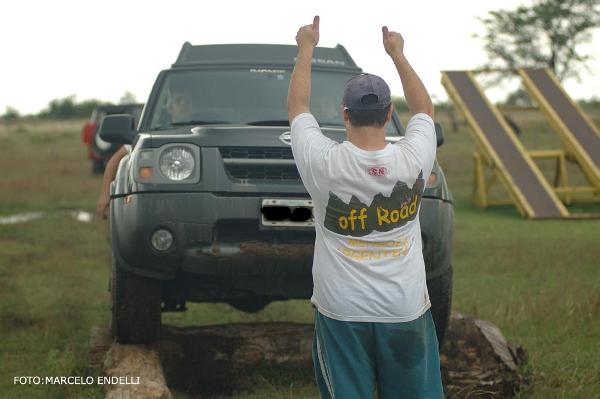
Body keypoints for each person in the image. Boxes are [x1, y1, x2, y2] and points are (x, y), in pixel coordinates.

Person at [288, 16, 443, 398]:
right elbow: (424, 110)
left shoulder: (323, 163)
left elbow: (298, 110)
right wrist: (398, 55)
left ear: (345, 114)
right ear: (389, 114)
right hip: (405, 308)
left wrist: (306, 47)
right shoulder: (415, 158)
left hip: (342, 311)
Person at [95, 84, 195, 219]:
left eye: (187, 101)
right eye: (178, 100)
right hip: (160, 202)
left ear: (193, 107)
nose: (183, 104)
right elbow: (115, 160)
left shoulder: (207, 135)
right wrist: (105, 193)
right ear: (170, 108)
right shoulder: (152, 134)